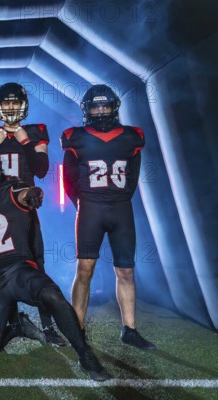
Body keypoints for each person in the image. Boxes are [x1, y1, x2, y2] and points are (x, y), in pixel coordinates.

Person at [0, 150, 110, 381]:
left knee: (51, 295)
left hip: (20, 269)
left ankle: (85, 354)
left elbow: (26, 192)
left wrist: (33, 193)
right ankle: (16, 327)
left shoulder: (10, 190)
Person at [61, 84, 156, 350]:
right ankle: (77, 329)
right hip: (91, 208)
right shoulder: (75, 136)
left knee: (126, 270)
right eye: (95, 106)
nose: (100, 111)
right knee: (85, 270)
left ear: (114, 107)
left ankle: (130, 329)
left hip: (120, 208)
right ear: (87, 110)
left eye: (104, 106)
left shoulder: (131, 136)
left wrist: (118, 199)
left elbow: (133, 177)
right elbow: (68, 179)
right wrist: (83, 204)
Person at [0, 82, 65, 346]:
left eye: (15, 102)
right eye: (6, 102)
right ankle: (14, 322)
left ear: (23, 105)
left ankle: (48, 326)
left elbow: (40, 169)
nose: (11, 107)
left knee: (37, 264)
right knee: (2, 266)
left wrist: (24, 140)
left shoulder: (36, 132)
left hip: (24, 211)